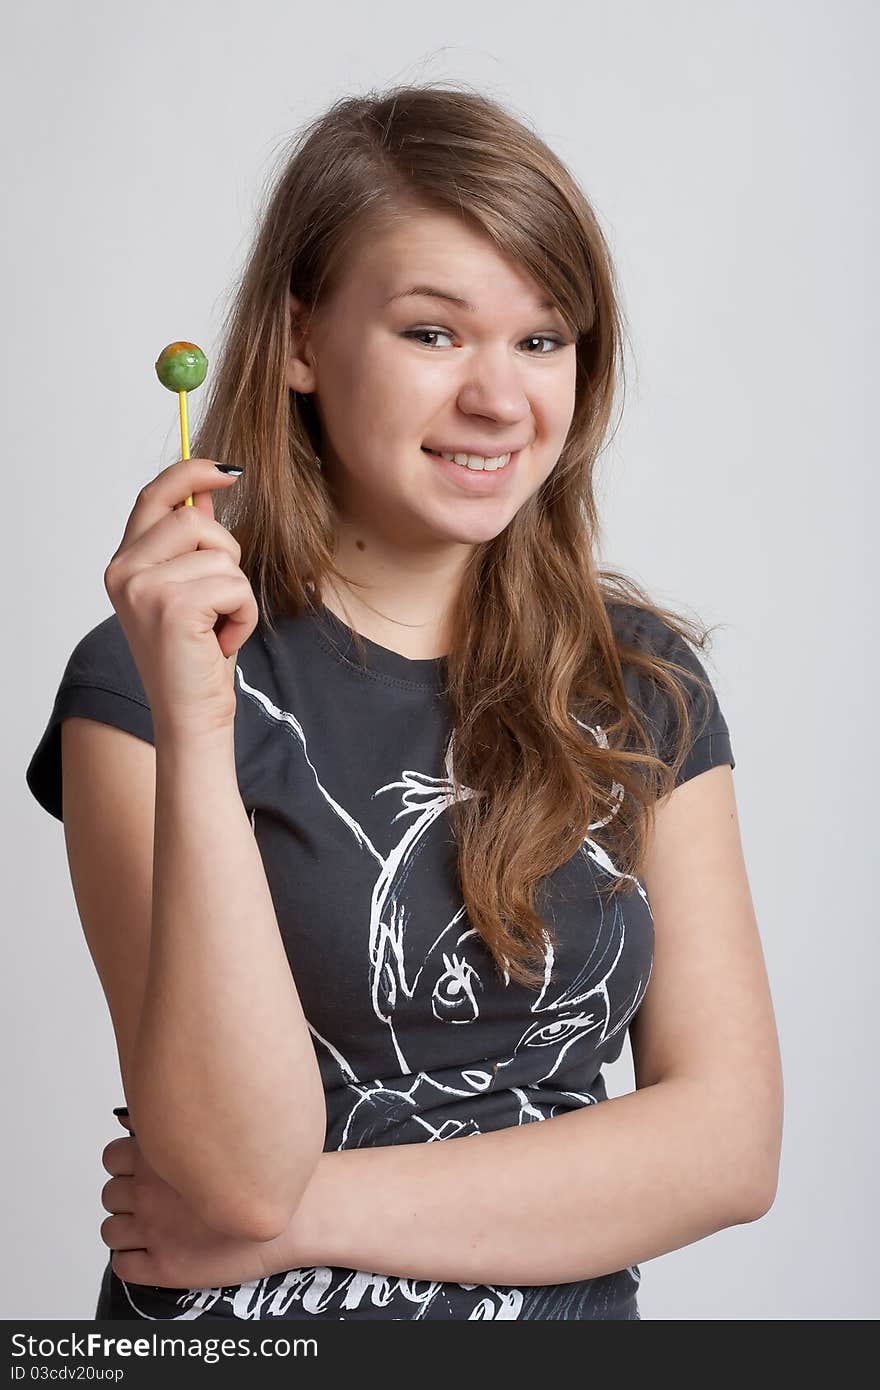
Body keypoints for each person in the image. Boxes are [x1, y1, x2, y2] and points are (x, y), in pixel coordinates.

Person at [25, 82, 783, 1322]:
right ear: (304, 341)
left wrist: (294, 1215)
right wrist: (200, 717)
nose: (499, 397)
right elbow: (227, 1161)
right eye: (434, 334)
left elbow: (728, 1147)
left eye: (542, 339)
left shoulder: (640, 684)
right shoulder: (145, 678)